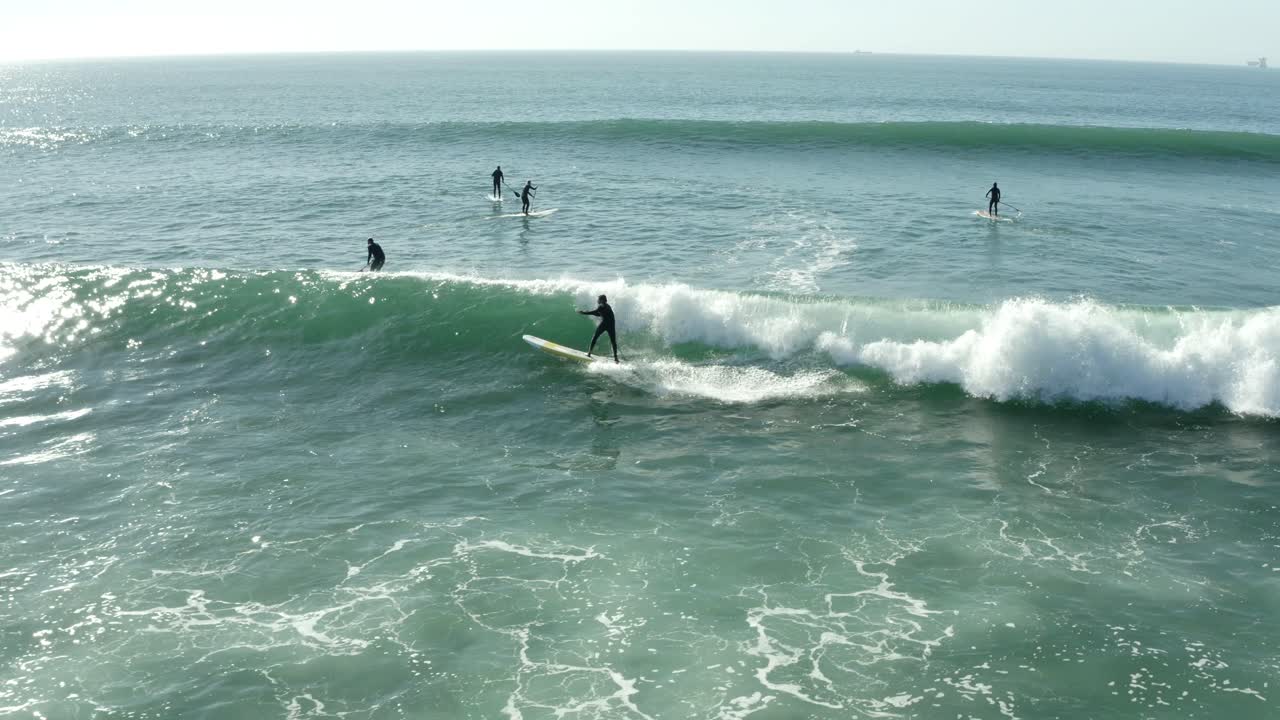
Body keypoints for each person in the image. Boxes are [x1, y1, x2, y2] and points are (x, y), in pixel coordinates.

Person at [579, 294, 619, 363]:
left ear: (602, 300)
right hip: (611, 325)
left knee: (595, 337)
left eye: (598, 299)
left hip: (604, 324)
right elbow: (599, 314)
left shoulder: (601, 305)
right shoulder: (607, 306)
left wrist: (584, 313)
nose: (597, 300)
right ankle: (616, 358)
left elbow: (595, 312)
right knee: (613, 342)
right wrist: (588, 312)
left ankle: (589, 353)